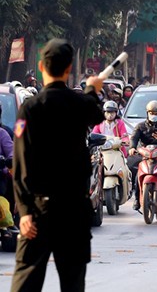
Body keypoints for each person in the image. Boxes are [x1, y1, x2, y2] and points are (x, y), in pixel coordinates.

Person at [10, 38, 104, 292]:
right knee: (73, 284)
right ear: (69, 68)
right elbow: (96, 114)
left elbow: (20, 163)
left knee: (25, 282)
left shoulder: (29, 109)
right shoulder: (79, 104)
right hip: (74, 210)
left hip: (40, 210)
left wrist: (25, 210)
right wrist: (93, 90)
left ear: (41, 66)